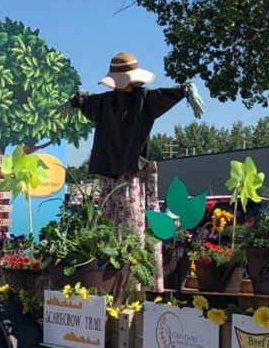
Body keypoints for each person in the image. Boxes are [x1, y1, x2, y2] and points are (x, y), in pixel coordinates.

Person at [63, 51, 204, 292]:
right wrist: (73, 102)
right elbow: (84, 100)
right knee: (109, 229)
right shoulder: (108, 101)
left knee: (133, 228)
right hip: (112, 177)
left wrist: (186, 90)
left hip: (131, 177)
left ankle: (135, 284)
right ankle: (114, 281)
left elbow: (168, 93)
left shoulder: (143, 99)